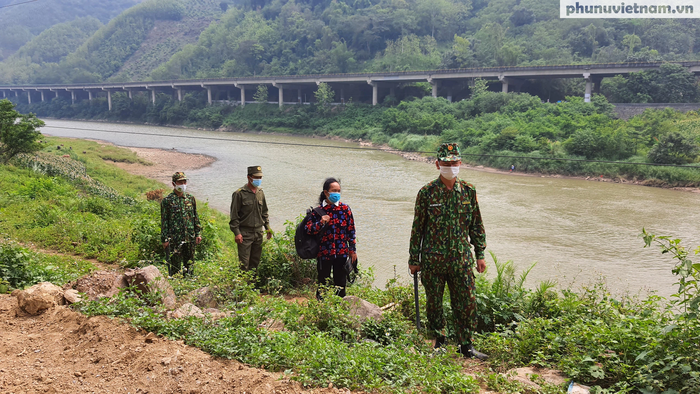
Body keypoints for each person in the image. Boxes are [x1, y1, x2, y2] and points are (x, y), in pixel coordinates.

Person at [408, 143, 488, 360]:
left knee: (466, 303)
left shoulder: (469, 192)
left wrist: (480, 253)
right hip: (433, 260)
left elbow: (476, 225)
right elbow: (418, 227)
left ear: (460, 163)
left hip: (462, 259)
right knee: (434, 303)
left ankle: (466, 346)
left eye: (454, 163)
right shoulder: (426, 193)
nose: (450, 166)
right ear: (437, 164)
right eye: (446, 163)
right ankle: (439, 343)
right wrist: (414, 258)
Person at [305, 178, 357, 300]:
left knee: (340, 284)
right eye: (334, 190)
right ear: (326, 192)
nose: (337, 193)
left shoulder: (345, 209)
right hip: (324, 253)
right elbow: (308, 229)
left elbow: (351, 230)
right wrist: (321, 223)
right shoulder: (317, 212)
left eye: (338, 191)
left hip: (341, 253)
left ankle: (339, 309)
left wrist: (352, 250)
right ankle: (321, 309)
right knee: (323, 283)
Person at [229, 166, 272, 271]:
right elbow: (234, 216)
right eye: (256, 177)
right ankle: (243, 286)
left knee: (255, 262)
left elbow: (264, 212)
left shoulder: (260, 193)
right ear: (249, 177)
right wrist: (237, 233)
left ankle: (252, 286)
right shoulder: (239, 194)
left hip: (258, 233)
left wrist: (268, 228)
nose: (259, 179)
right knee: (244, 264)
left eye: (261, 177)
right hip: (245, 234)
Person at [161, 172, 202, 277]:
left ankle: (189, 284)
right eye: (180, 182)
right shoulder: (167, 201)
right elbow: (164, 220)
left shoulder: (190, 198)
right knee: (175, 266)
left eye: (184, 181)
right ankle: (176, 287)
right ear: (173, 183)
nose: (183, 184)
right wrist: (164, 239)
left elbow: (195, 216)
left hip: (190, 237)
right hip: (175, 238)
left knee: (189, 264)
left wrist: (198, 233)